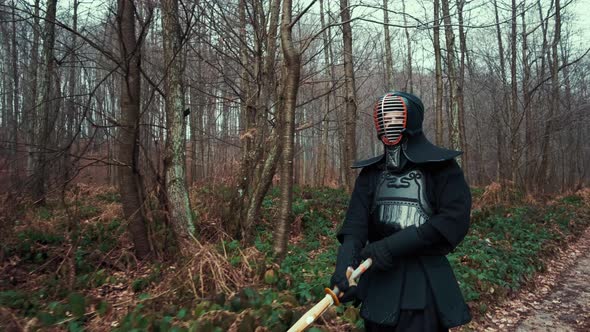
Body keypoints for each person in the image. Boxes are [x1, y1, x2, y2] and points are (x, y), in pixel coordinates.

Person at [330, 91, 472, 331]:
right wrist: (345, 265)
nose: (389, 124)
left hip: (424, 285)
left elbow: (452, 220)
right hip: (380, 286)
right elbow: (355, 225)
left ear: (412, 121)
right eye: (384, 119)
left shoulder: (443, 169)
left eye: (396, 118)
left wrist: (392, 246)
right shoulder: (371, 174)